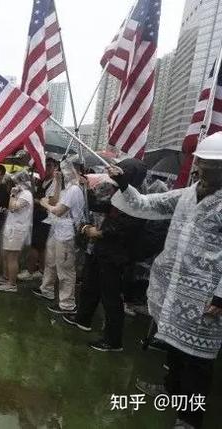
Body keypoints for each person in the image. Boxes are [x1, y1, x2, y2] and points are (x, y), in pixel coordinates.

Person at [108, 134, 222, 429]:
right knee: (173, 350)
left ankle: (189, 419)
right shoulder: (185, 194)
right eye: (202, 164)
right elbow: (146, 204)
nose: (202, 171)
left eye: (212, 167)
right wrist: (124, 185)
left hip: (207, 298)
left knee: (197, 361)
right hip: (172, 291)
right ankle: (173, 394)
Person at [63, 169, 143, 352]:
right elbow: (98, 205)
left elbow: (130, 226)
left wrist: (101, 232)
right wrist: (86, 189)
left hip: (115, 257)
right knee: (90, 286)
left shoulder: (136, 200)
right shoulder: (119, 196)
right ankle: (83, 319)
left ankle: (113, 341)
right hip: (101, 252)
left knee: (111, 299)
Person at [33, 160, 85, 314]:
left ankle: (67, 304)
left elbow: (58, 210)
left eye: (66, 169)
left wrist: (44, 204)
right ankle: (47, 289)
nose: (63, 172)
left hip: (67, 233)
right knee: (50, 262)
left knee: (65, 269)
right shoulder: (67, 187)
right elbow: (55, 200)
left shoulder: (75, 189)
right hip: (57, 230)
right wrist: (57, 181)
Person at [0, 171, 34, 293]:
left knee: (12, 257)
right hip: (13, 228)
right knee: (7, 254)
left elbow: (12, 207)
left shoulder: (26, 194)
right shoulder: (21, 193)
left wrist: (12, 195)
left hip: (18, 230)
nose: (14, 185)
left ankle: (12, 284)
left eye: (16, 182)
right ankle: (7, 277)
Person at [18, 157, 58, 281]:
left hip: (45, 217)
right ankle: (41, 271)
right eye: (44, 166)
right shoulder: (43, 180)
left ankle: (30, 271)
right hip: (38, 215)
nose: (46, 168)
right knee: (41, 246)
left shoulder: (55, 183)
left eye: (49, 166)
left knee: (35, 245)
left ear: (55, 167)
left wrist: (36, 201)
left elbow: (52, 201)